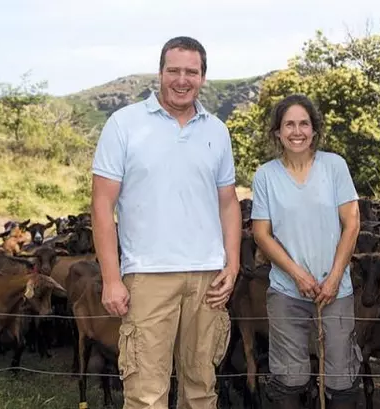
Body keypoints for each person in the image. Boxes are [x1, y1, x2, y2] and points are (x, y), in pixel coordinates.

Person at [90, 36, 241, 409]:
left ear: (203, 77)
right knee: (145, 394)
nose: (182, 79)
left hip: (208, 278)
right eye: (174, 70)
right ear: (160, 73)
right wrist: (111, 278)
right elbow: (101, 205)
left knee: (202, 390)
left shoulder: (217, 131)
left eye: (191, 72)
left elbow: (228, 202)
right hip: (148, 277)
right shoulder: (124, 124)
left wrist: (233, 263)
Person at [250, 94, 362, 409]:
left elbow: (351, 223)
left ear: (314, 130)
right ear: (277, 132)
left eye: (303, 124)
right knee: (289, 378)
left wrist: (335, 278)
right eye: (289, 124)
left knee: (341, 376)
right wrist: (297, 274)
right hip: (287, 291)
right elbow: (261, 232)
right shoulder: (266, 176)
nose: (296, 131)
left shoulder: (334, 166)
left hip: (335, 290)